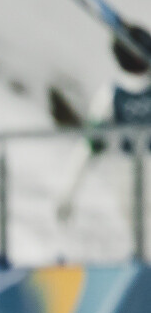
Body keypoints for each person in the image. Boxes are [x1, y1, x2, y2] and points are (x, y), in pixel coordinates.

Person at [56, 25, 151, 228]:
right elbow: (91, 143)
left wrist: (67, 193)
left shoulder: (110, 93)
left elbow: (88, 146)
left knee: (140, 236)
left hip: (128, 174)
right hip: (130, 173)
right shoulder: (113, 94)